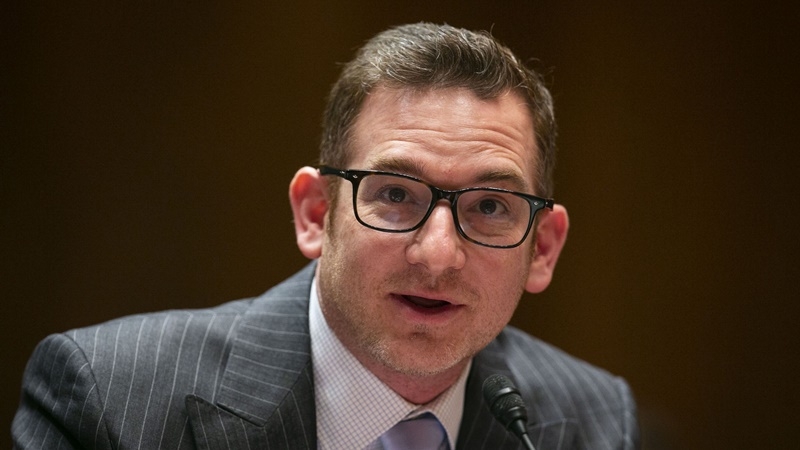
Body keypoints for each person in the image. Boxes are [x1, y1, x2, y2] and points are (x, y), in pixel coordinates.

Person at [12, 23, 639, 449]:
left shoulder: (590, 419)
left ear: (544, 248)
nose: (440, 254)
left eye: (492, 207)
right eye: (395, 195)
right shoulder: (110, 400)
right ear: (316, 214)